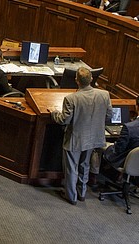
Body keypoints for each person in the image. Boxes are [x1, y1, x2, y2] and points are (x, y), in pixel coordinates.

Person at [50, 67, 112, 205]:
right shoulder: (104, 95)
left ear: (76, 81)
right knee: (85, 165)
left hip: (75, 139)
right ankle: (82, 193)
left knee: (71, 168)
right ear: (91, 79)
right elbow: (109, 116)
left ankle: (71, 196)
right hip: (93, 137)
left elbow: (63, 120)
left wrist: (54, 113)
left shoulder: (71, 98)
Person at [98, 94, 139, 180]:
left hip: (127, 160)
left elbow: (119, 149)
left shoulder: (129, 127)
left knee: (102, 146)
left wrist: (112, 144)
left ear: (136, 107)